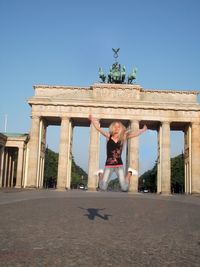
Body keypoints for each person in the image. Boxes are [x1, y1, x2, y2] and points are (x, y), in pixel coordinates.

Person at [88, 114, 147, 192]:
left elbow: (135, 134)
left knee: (124, 188)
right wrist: (92, 120)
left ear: (121, 129)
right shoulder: (108, 136)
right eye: (115, 126)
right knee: (103, 187)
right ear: (112, 128)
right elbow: (98, 129)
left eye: (118, 127)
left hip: (119, 165)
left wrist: (142, 130)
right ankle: (100, 174)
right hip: (108, 165)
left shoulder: (123, 138)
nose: (116, 128)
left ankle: (129, 173)